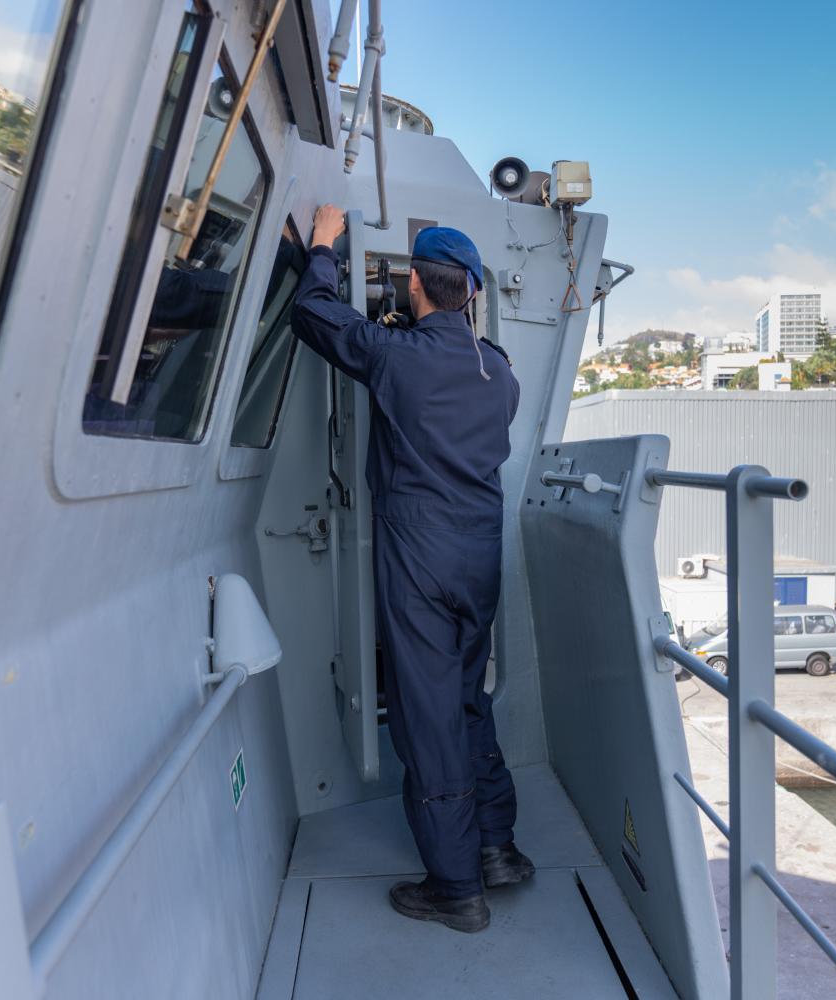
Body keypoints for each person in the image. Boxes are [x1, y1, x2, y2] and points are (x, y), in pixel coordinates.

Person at [292, 205, 532, 933]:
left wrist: (325, 244)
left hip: (421, 557)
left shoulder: (395, 354)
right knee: (466, 699)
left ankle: (457, 887)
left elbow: (314, 312)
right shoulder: (503, 373)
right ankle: (498, 850)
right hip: (478, 558)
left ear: (414, 288)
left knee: (427, 721)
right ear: (470, 292)